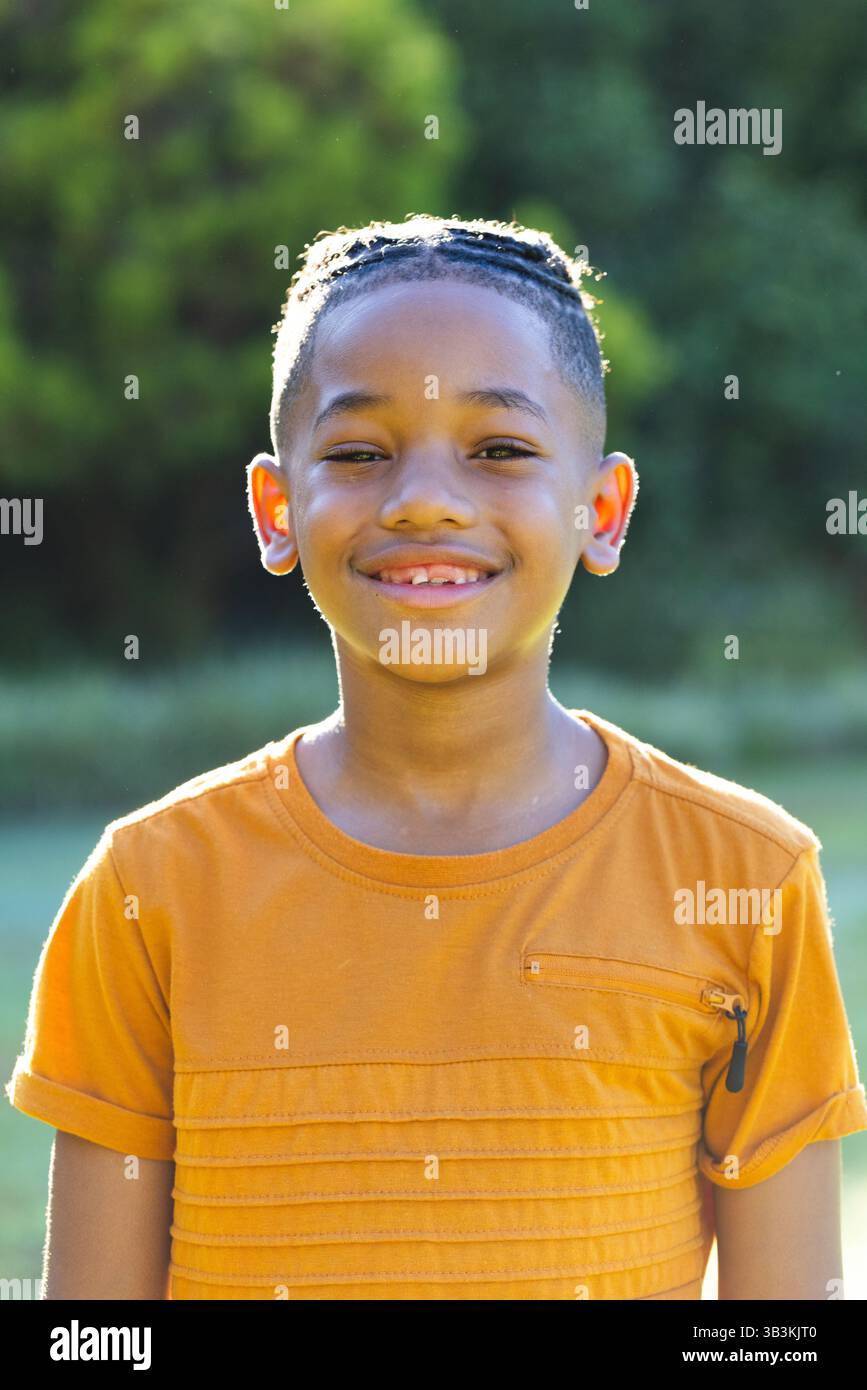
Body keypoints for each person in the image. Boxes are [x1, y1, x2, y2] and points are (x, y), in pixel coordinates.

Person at [7, 214, 867, 1300]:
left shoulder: (745, 878)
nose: (423, 497)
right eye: (360, 452)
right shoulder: (149, 888)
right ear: (278, 511)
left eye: (499, 449)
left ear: (600, 512)